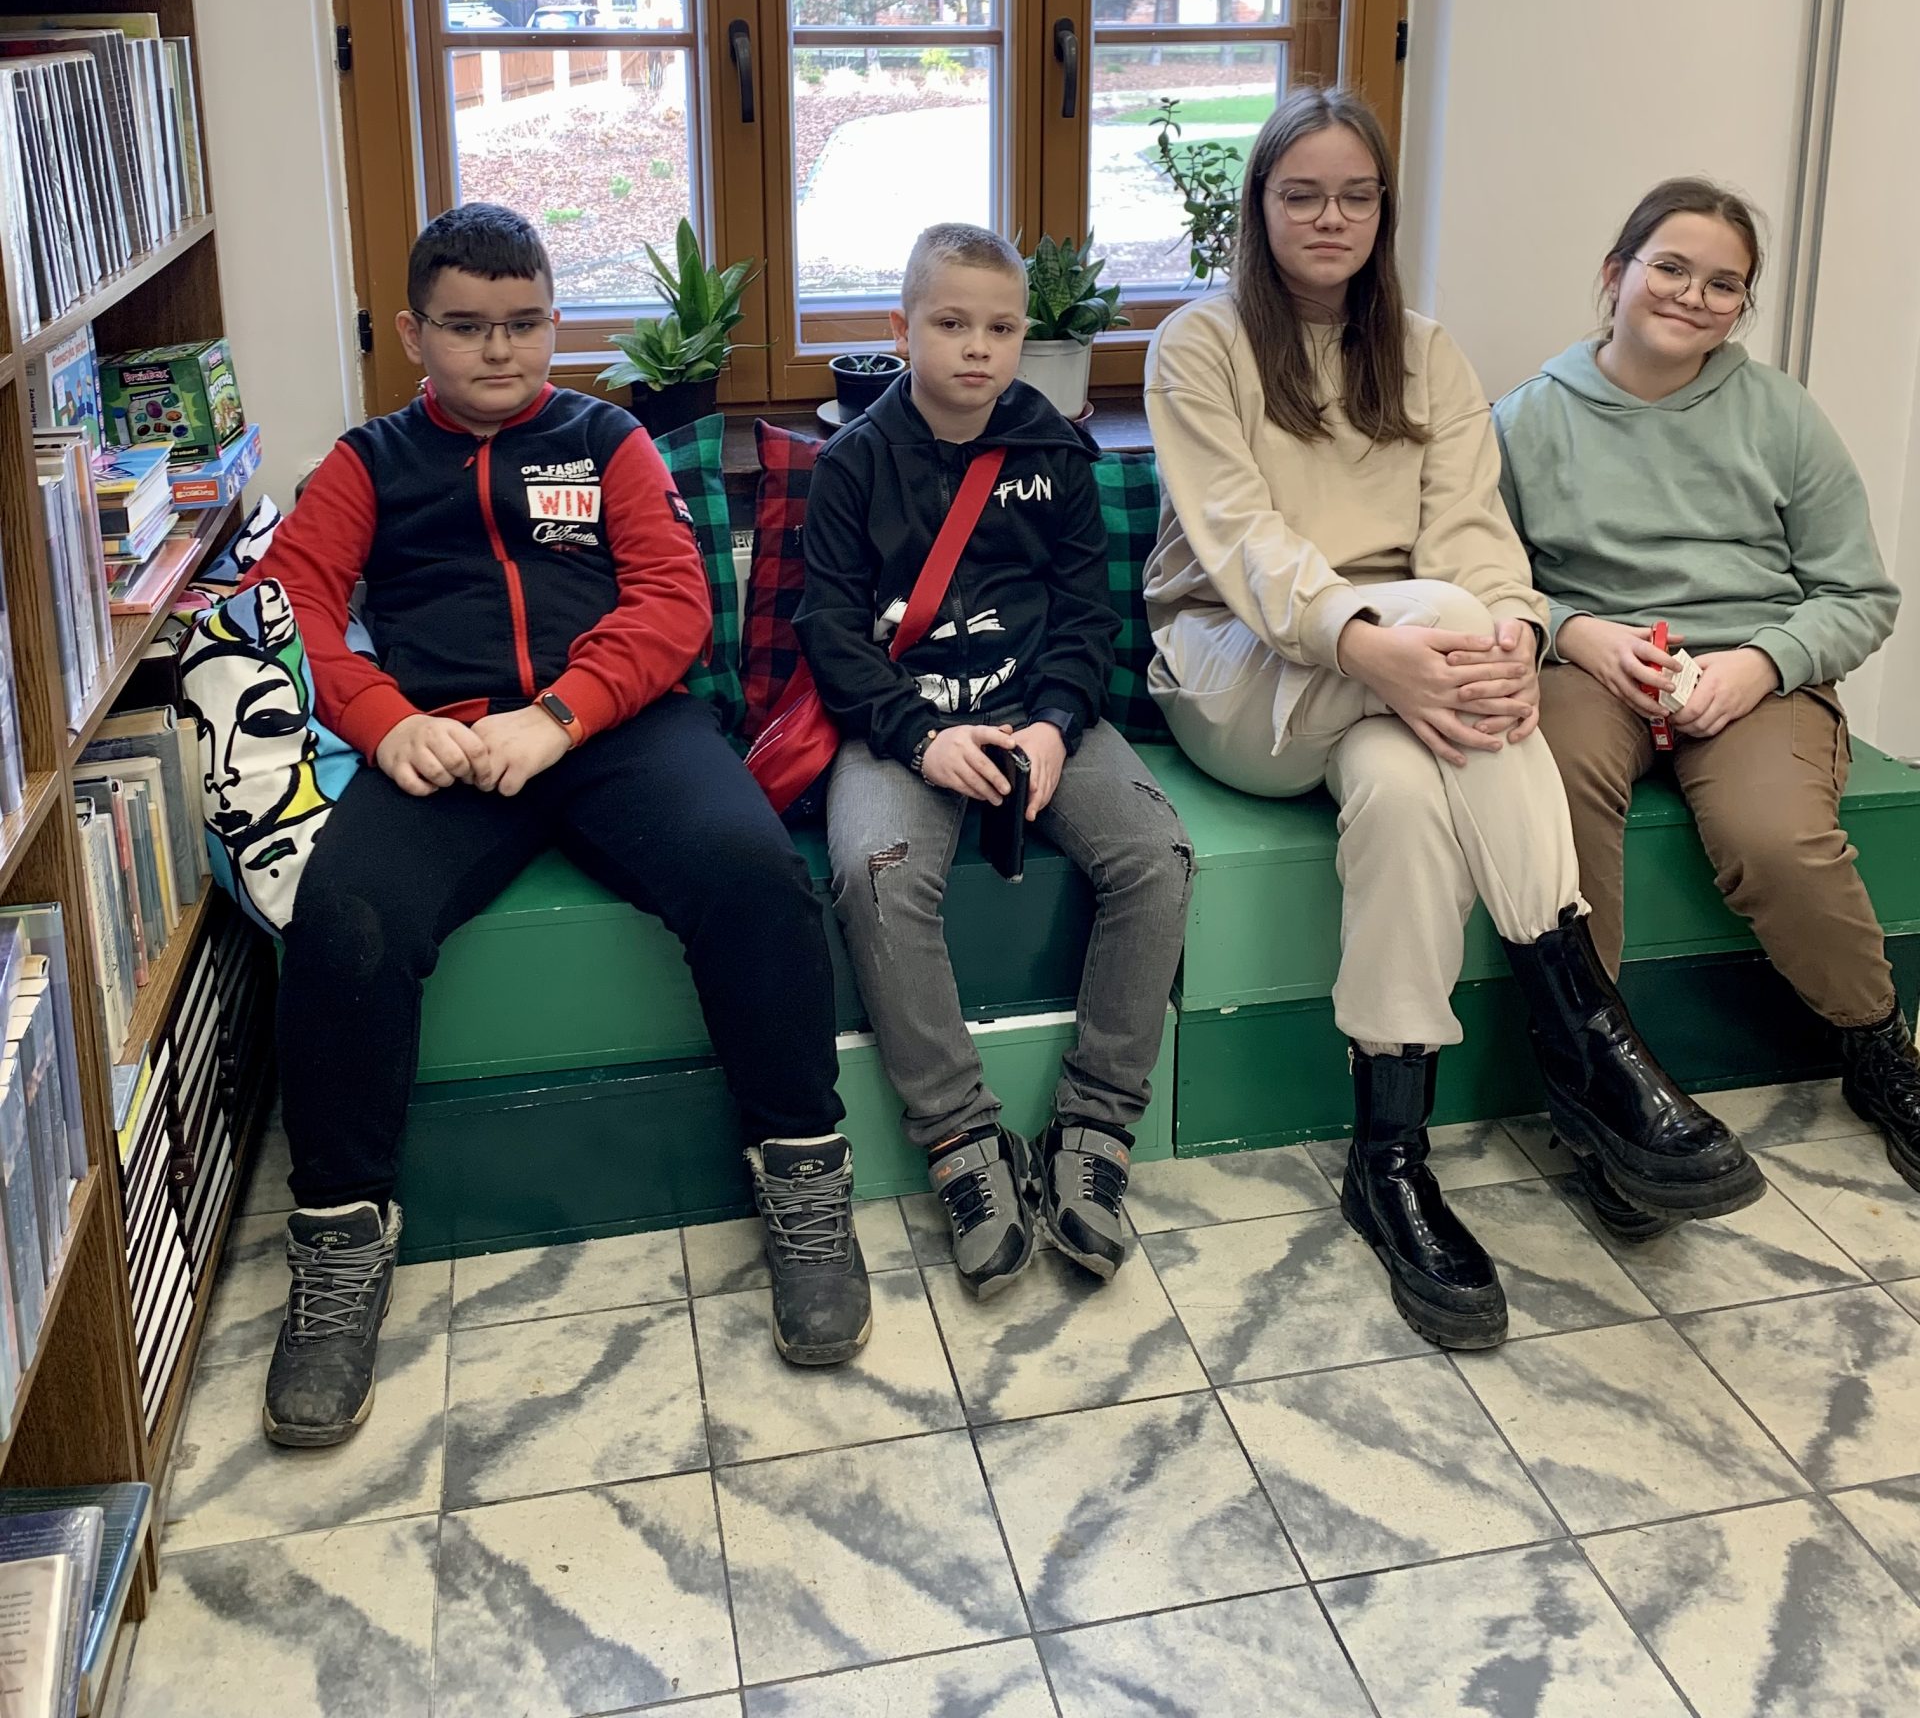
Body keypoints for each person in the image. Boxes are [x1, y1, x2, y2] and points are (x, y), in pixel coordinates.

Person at [1143, 88, 1760, 1352]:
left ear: (1384, 209)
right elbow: (1246, 547)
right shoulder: (1199, 345)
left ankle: (1391, 1157)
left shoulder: (1427, 354)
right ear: (1260, 206)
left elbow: (1477, 535)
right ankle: (1588, 1030)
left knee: (1405, 789)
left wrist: (1516, 638)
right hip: (1238, 664)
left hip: (1403, 686)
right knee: (1440, 616)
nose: (1330, 216)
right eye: (1301, 193)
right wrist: (1385, 642)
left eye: (1355, 195)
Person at [248, 203, 870, 1447]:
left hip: (615, 728)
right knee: (345, 918)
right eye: (466, 326)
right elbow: (291, 603)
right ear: (413, 333)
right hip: (443, 741)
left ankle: (804, 1172)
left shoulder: (608, 439)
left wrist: (563, 715)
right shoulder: (366, 462)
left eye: (524, 322)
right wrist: (381, 719)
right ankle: (340, 1236)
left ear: (554, 323)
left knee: (753, 873)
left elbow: (673, 601)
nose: (498, 349)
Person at [1495, 176, 1914, 1216]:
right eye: (1671, 267)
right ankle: (1603, 1087)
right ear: (1616, 273)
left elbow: (1860, 594)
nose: (1692, 295)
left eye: (1723, 284)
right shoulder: (1525, 420)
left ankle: (1877, 1047)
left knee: (1775, 838)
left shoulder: (1781, 414)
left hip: (1753, 671)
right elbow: (1483, 579)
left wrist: (1762, 663)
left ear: (1740, 307)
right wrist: (1573, 632)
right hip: (1593, 668)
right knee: (1552, 797)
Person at [796, 223, 1192, 1295]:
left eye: (1002, 328)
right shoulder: (853, 464)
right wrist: (922, 738)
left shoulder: (1054, 451)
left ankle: (1095, 1126)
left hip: (1041, 717)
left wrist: (1057, 723)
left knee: (1157, 858)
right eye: (951, 323)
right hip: (903, 727)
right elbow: (830, 631)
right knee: (878, 874)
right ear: (901, 329)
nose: (978, 347)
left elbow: (1086, 615)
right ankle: (962, 1139)